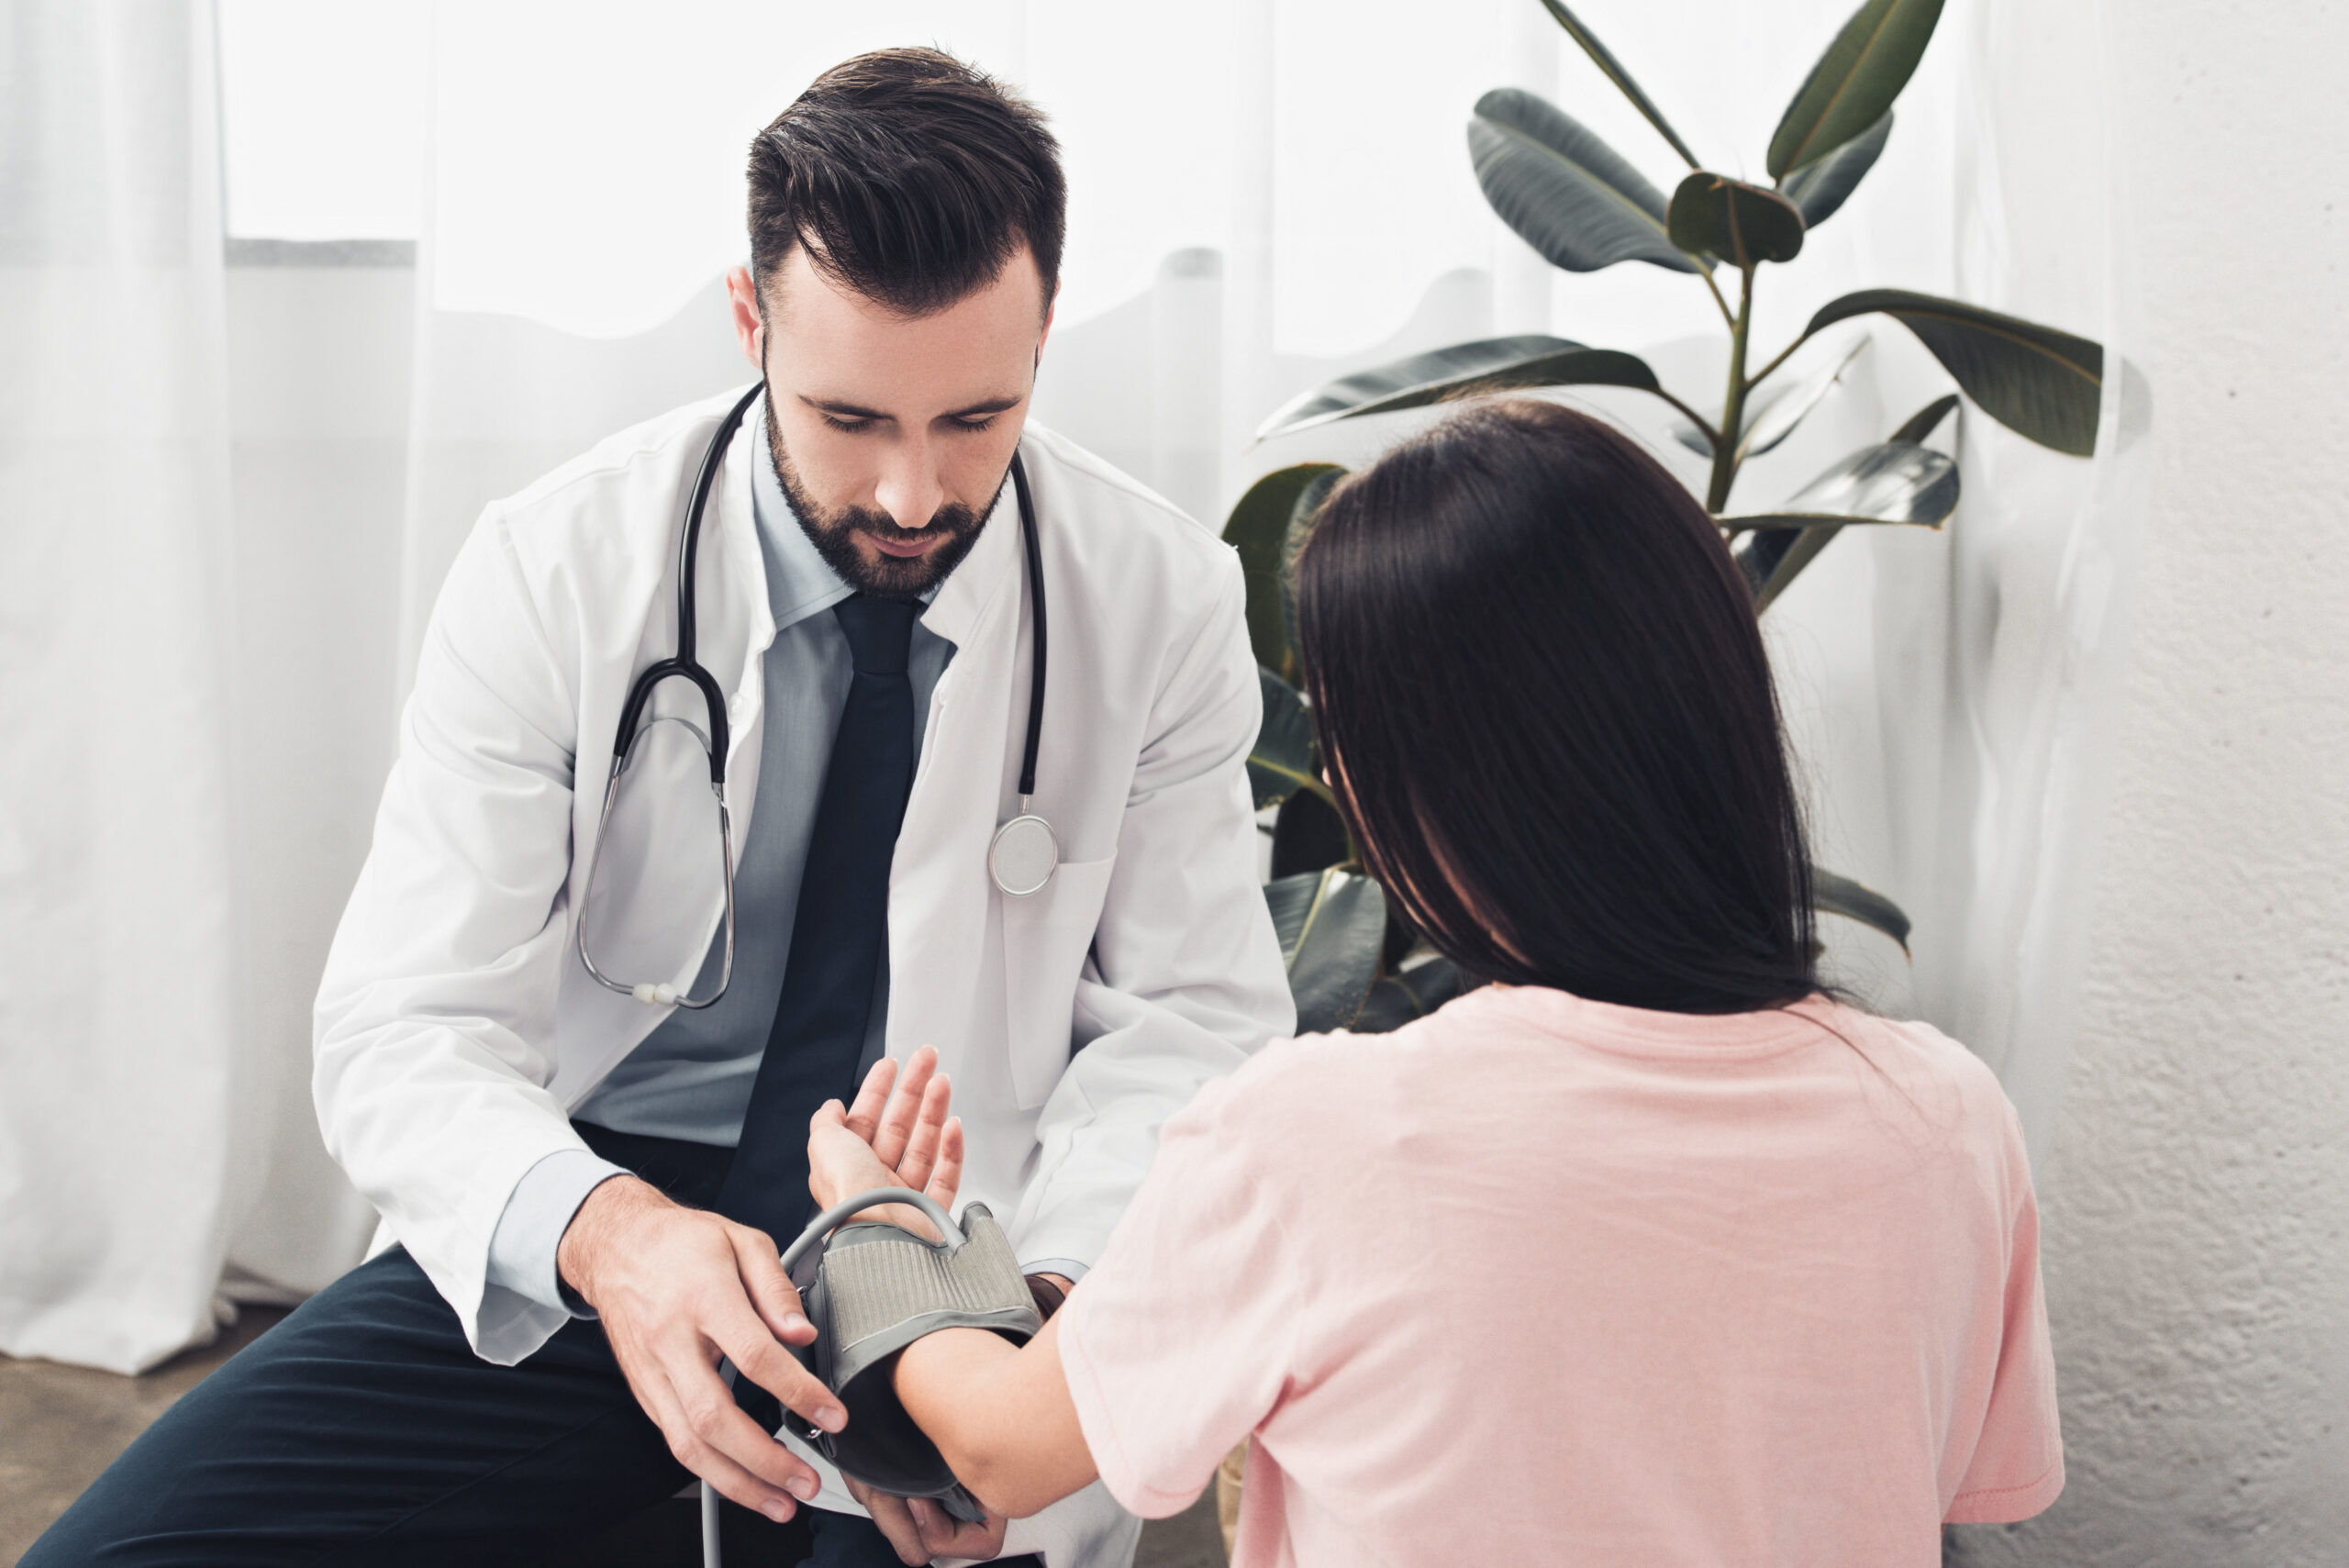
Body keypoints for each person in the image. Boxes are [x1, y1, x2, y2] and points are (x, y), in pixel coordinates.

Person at [25, 47, 1290, 1568]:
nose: (909, 494)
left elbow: (1195, 1028)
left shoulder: (1155, 595)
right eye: (848, 418)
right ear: (748, 321)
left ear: (1043, 331)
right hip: (609, 1207)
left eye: (974, 418)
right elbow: (403, 1026)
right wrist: (613, 1238)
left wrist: (1036, 1345)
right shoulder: (554, 567)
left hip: (953, 1248)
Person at [806, 397, 2065, 1567]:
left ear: (1431, 780)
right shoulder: (1947, 1116)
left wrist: (882, 1225)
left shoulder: (1322, 1135)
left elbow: (999, 1448)